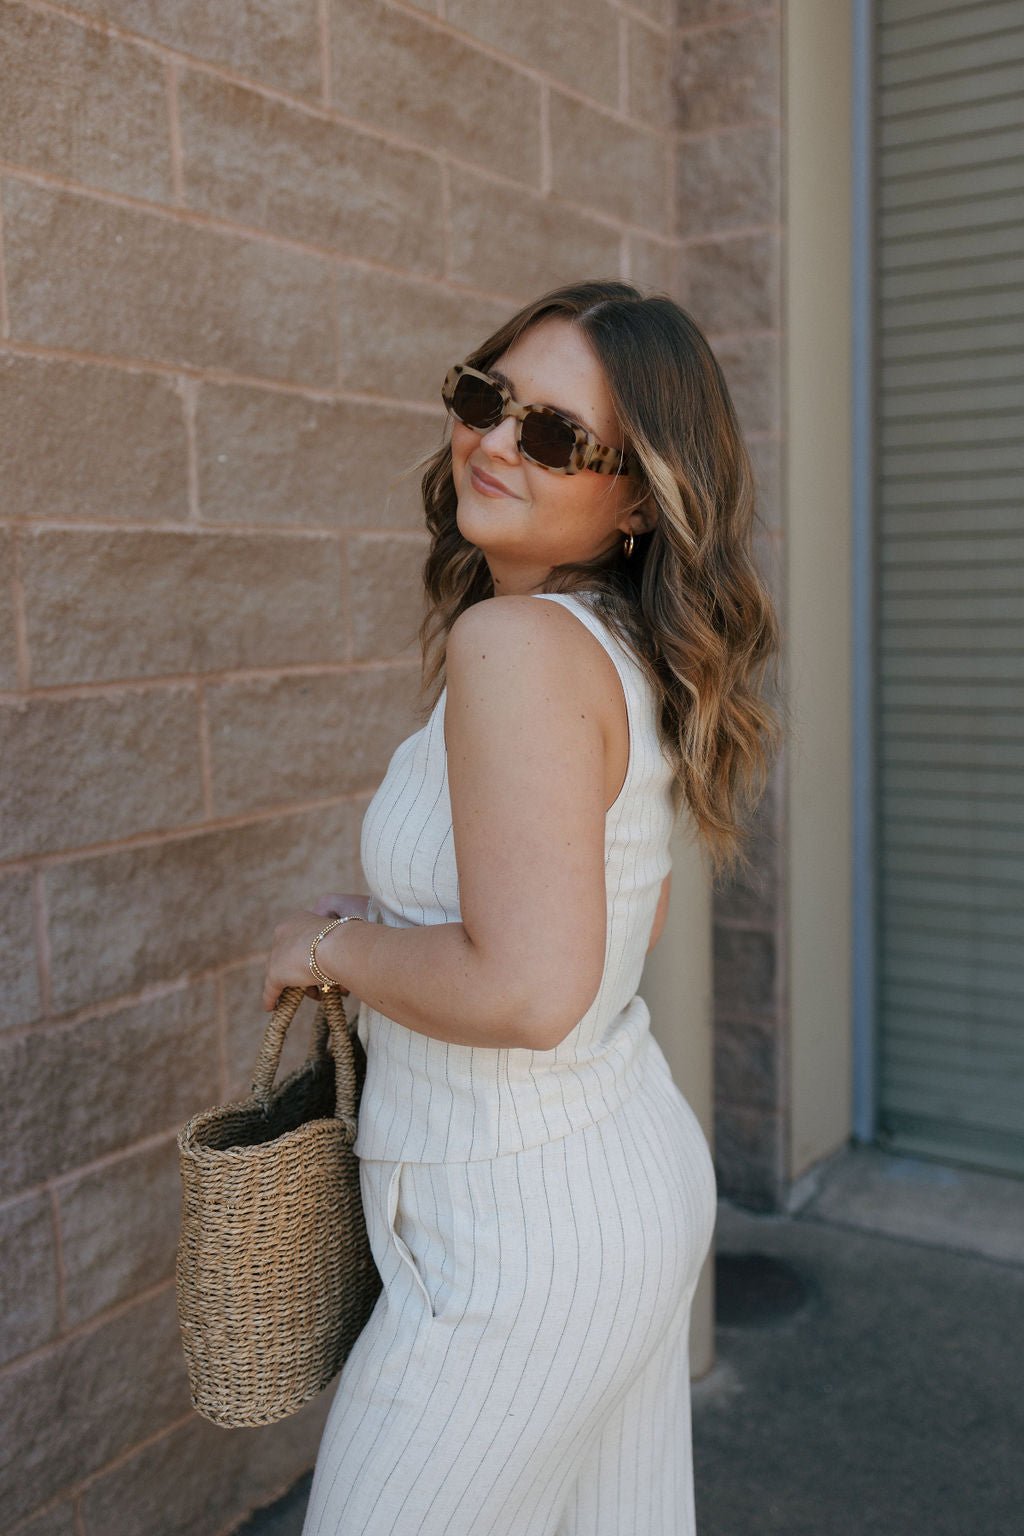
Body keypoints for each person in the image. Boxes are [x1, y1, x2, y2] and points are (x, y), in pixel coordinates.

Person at [262, 279, 782, 1535]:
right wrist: (408, 923)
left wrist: (328, 946)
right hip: (610, 1174)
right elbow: (625, 919)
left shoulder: (519, 648)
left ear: (639, 499)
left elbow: (532, 989)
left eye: (554, 434)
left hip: (516, 1229)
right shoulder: (617, 647)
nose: (496, 441)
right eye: (484, 396)